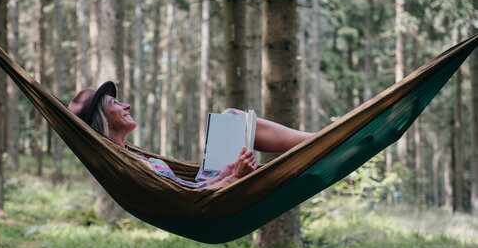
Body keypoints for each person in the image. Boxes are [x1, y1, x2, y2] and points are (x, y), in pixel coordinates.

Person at [68, 81, 314, 189]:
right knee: (232, 117)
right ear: (100, 118)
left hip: (209, 185)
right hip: (212, 197)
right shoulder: (124, 165)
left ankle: (315, 140)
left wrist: (226, 174)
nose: (126, 105)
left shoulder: (130, 154)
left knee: (232, 116)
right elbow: (187, 204)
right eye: (115, 102)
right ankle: (315, 141)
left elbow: (184, 192)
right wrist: (233, 179)